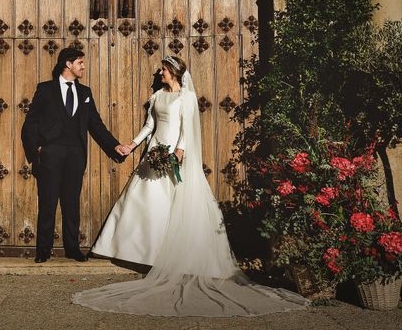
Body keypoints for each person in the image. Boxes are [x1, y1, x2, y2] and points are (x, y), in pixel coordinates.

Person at [73, 55, 308, 317]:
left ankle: (171, 257)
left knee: (175, 204)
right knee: (145, 201)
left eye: (163, 69)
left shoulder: (186, 97)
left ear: (173, 71)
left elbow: (187, 127)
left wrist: (180, 151)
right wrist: (132, 144)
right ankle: (142, 253)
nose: (160, 73)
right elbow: (150, 125)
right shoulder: (158, 96)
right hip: (154, 153)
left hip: (174, 154)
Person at [21, 48, 126, 264]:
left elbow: (96, 125)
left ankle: (72, 248)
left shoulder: (85, 93)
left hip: (76, 156)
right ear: (68, 64)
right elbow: (30, 123)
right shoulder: (46, 89)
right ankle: (43, 250)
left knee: (71, 204)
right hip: (50, 155)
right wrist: (37, 149)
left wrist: (114, 146)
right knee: (48, 203)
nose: (83, 66)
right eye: (80, 62)